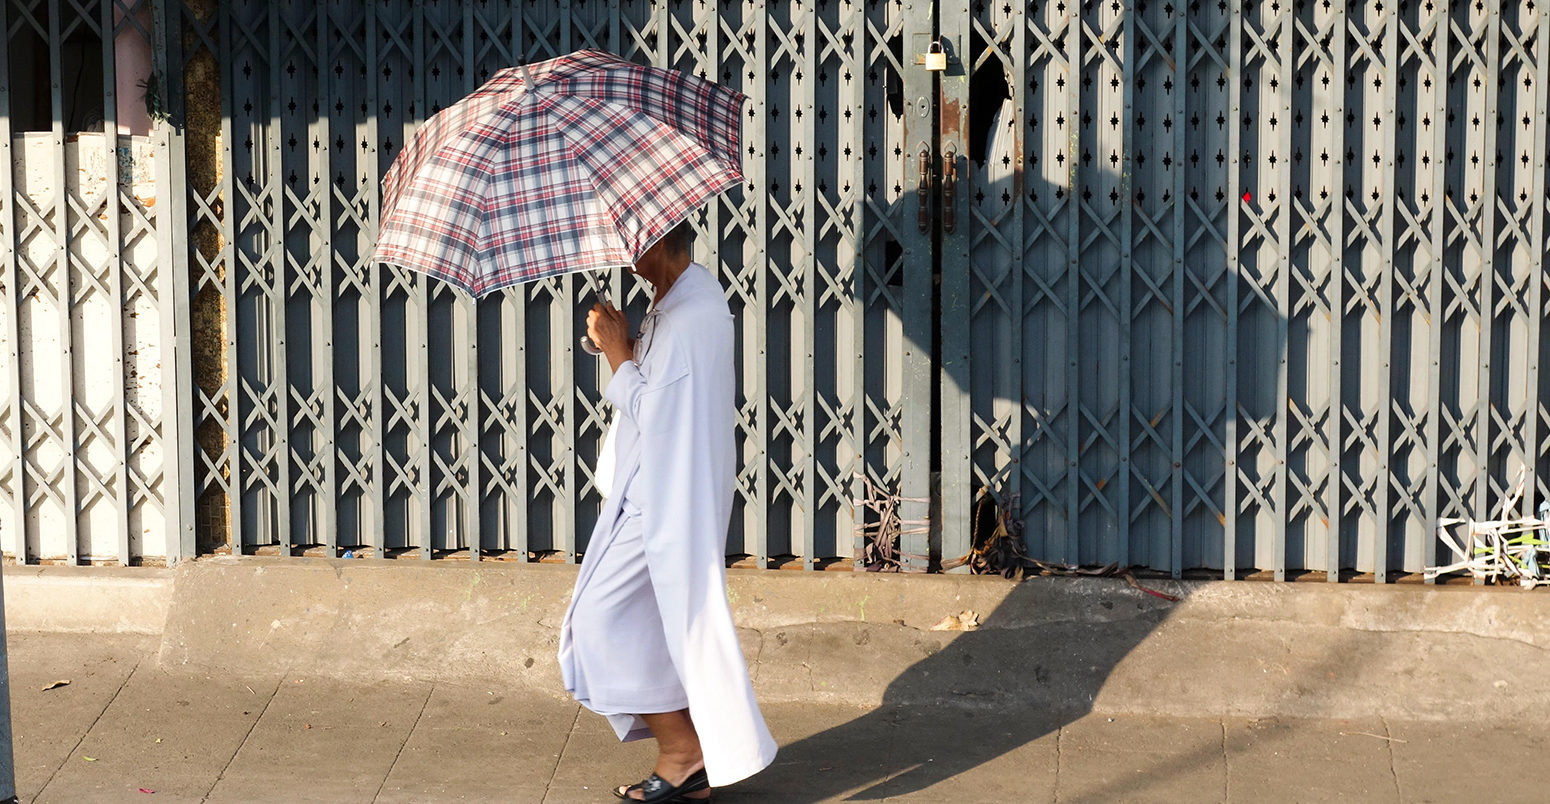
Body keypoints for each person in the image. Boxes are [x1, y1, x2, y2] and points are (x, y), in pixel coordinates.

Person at [558, 219, 778, 803]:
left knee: (599, 620)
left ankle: (685, 751)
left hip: (662, 502)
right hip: (654, 490)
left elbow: (656, 414)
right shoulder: (687, 296)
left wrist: (615, 351)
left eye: (633, 240)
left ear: (657, 243)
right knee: (652, 626)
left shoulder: (687, 321)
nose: (624, 251)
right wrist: (627, 342)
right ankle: (690, 765)